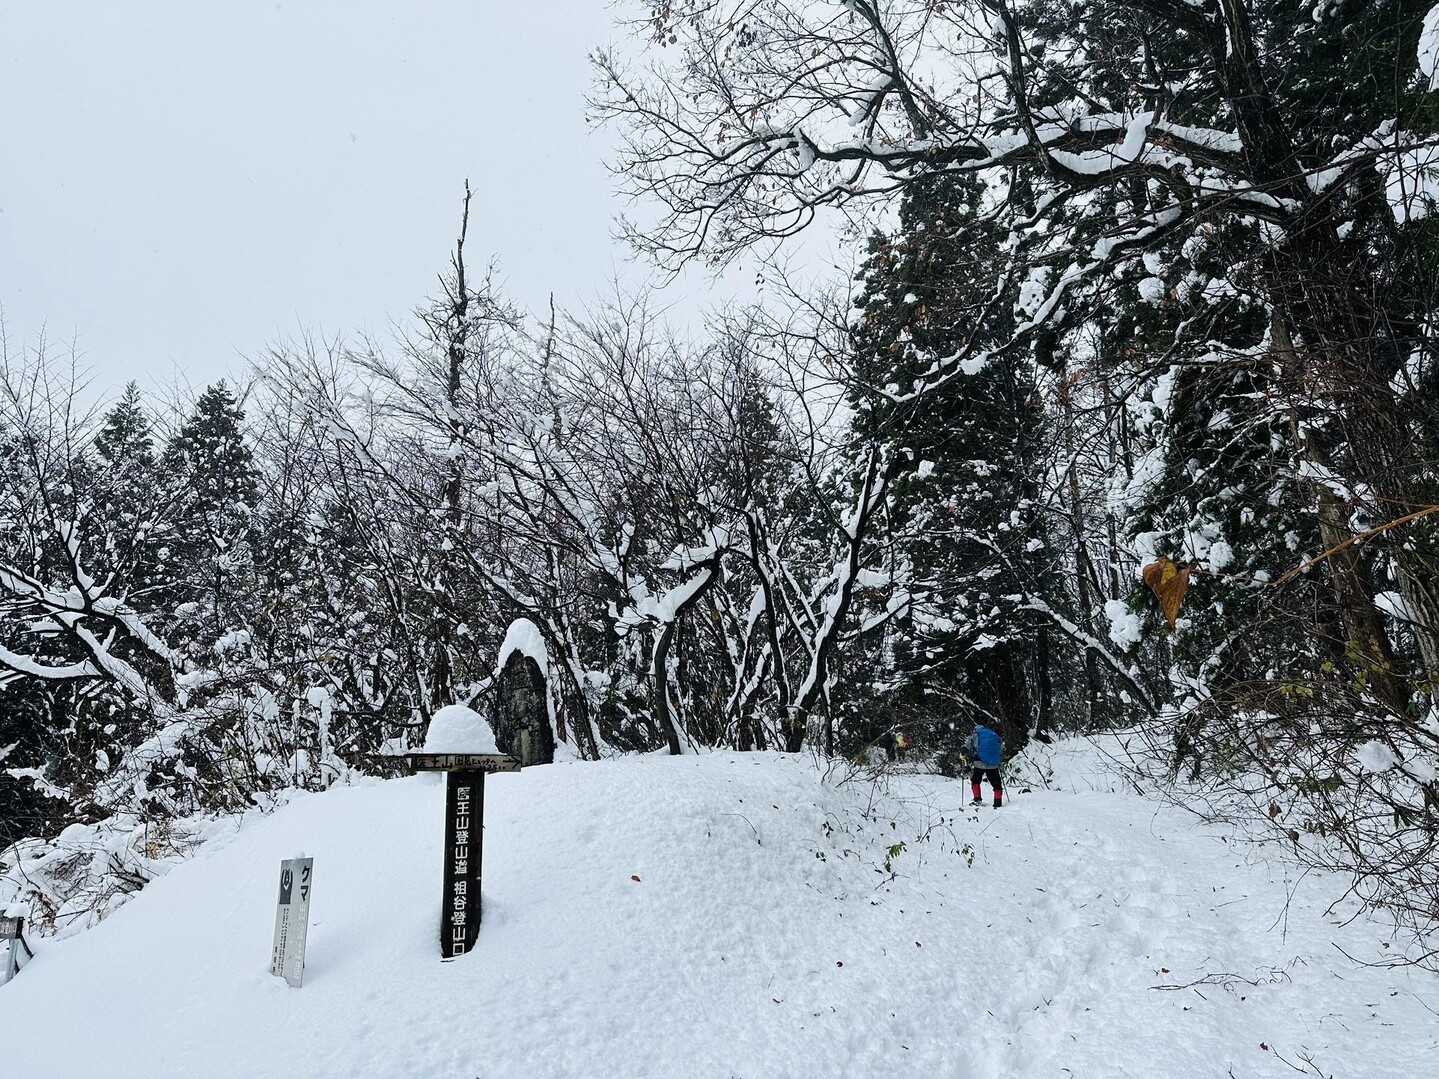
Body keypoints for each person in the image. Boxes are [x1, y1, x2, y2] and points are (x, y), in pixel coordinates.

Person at [963, 724, 1003, 808]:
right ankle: (997, 801)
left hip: (979, 762)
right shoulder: (993, 734)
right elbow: (999, 748)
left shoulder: (976, 734)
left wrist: (963, 752)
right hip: (993, 763)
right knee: (996, 781)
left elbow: (968, 744)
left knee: (976, 780)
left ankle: (977, 799)